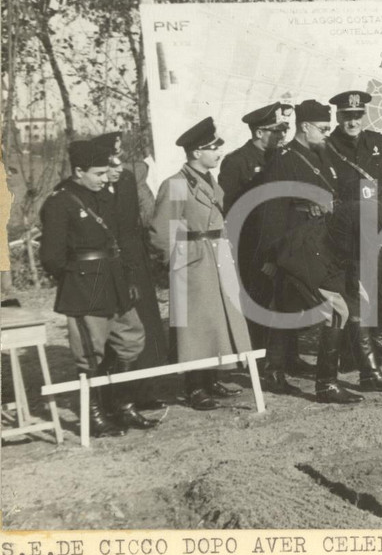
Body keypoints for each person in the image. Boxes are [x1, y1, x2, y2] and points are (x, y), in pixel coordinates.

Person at [275, 190, 382, 402]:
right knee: (338, 312)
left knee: (359, 307)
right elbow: (377, 262)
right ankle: (326, 385)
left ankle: (370, 375)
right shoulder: (371, 216)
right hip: (311, 255)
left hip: (337, 261)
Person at [39, 139, 151, 436]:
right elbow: (51, 256)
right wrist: (77, 278)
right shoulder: (60, 202)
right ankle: (94, 415)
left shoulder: (102, 196)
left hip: (115, 281)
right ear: (79, 171)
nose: (106, 178)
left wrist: (125, 278)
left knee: (132, 340)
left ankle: (123, 405)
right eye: (99, 173)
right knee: (90, 354)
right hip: (85, 286)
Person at [150, 117, 253, 411]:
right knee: (194, 325)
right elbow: (161, 232)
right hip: (193, 258)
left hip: (216, 254)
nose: (218, 153)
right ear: (196, 152)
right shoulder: (178, 184)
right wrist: (178, 264)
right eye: (212, 148)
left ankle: (209, 380)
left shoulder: (209, 181)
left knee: (216, 320)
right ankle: (194, 387)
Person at [254, 100, 339, 394]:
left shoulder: (319, 155)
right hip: (292, 244)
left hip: (316, 241)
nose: (328, 134)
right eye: (324, 129)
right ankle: (275, 371)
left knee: (289, 305)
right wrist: (273, 253)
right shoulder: (284, 159)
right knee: (286, 305)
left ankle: (284, 363)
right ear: (306, 127)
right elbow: (272, 210)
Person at [326, 89, 382, 362]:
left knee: (380, 283)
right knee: (352, 289)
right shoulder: (328, 145)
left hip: (378, 222)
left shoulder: (377, 141)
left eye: (357, 115)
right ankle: (350, 349)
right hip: (346, 228)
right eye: (347, 116)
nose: (353, 121)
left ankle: (378, 340)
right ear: (338, 116)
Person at [91, 130, 168, 372]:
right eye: (113, 154)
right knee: (120, 325)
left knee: (145, 318)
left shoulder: (126, 180)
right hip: (112, 262)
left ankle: (145, 385)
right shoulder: (94, 186)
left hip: (135, 257)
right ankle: (118, 391)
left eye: (119, 152)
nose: (119, 158)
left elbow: (140, 217)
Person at [218, 102, 292, 348]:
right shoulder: (237, 161)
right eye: (276, 131)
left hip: (280, 240)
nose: (282, 135)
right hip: (252, 245)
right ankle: (257, 356)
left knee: (284, 299)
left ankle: (286, 358)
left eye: (284, 130)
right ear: (259, 133)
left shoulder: (281, 159)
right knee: (257, 299)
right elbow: (229, 209)